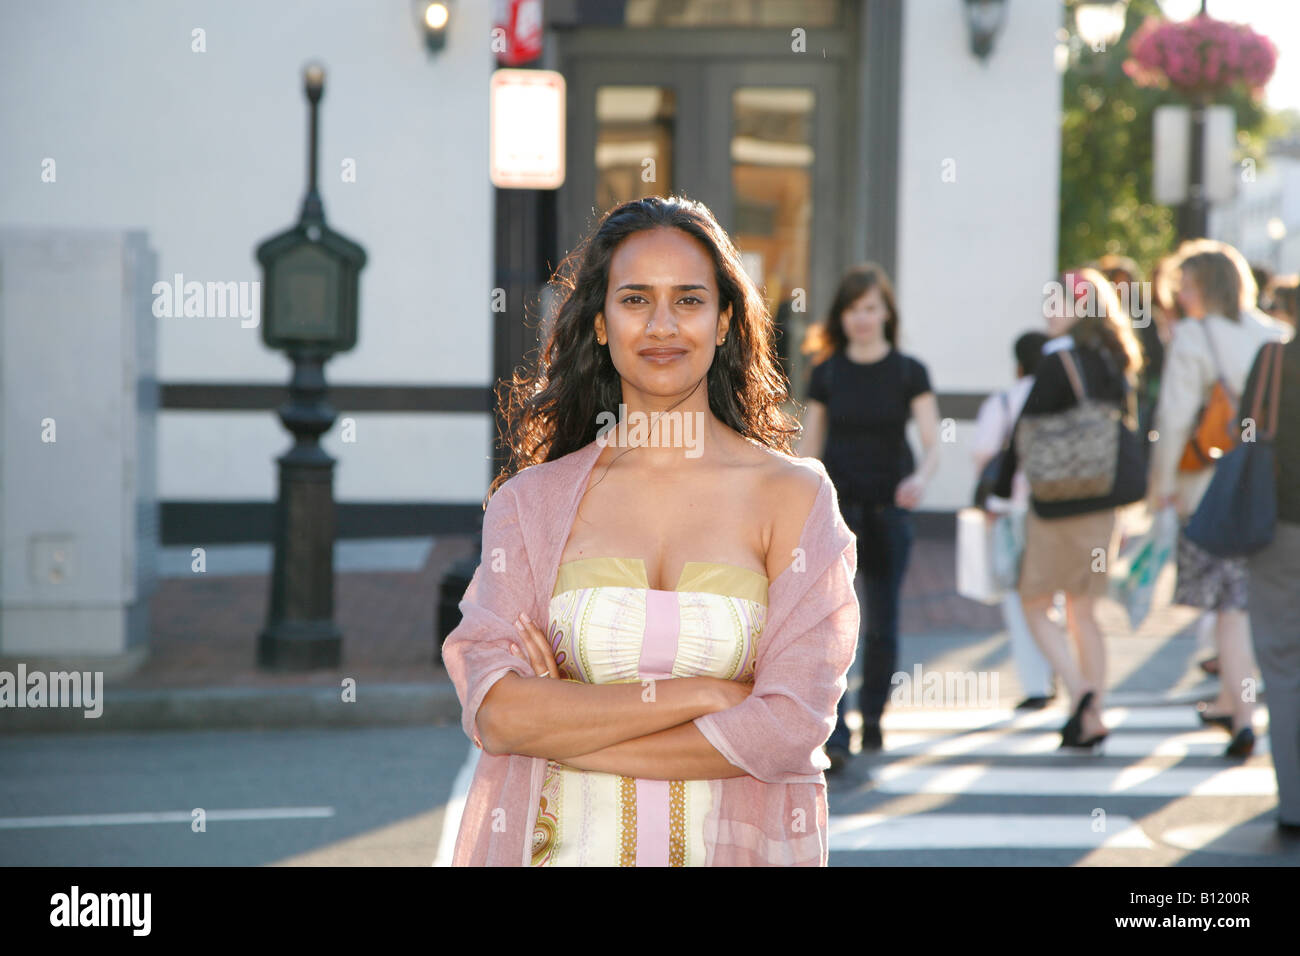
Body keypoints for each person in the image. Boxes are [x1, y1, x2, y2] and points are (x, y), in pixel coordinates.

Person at [441, 195, 860, 866]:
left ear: (725, 321)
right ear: (601, 324)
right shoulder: (529, 505)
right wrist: (707, 696)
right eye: (635, 299)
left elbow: (786, 728)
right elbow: (496, 713)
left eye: (689, 300)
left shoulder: (797, 500)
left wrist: (562, 722)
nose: (662, 325)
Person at [991, 268, 1145, 750]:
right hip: (1104, 505)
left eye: (1056, 303)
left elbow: (1024, 433)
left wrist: (996, 490)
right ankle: (1092, 715)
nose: (1048, 312)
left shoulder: (1058, 362)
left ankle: (1079, 694)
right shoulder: (1116, 361)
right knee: (1085, 611)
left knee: (1035, 601)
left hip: (1056, 505)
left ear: (1080, 308)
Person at [796, 264, 940, 763]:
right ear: (843, 315)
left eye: (872, 308)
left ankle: (874, 715)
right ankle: (837, 735)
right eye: (855, 309)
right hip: (838, 512)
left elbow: (931, 439)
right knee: (834, 623)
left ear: (886, 313)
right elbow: (809, 447)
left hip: (889, 511)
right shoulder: (827, 372)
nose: (863, 318)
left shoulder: (908, 371)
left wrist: (920, 479)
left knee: (882, 621)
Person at [1148, 246, 1285, 758]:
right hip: (1266, 487)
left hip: (1210, 487)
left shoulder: (1193, 335)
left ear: (1204, 287)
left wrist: (1162, 484)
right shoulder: (1273, 334)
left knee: (1230, 609)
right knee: (1247, 601)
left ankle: (1245, 717)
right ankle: (1232, 699)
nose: (1179, 295)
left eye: (1185, 286)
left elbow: (1176, 416)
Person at [1239, 336, 1300, 837]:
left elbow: (1244, 430)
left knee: (1281, 665)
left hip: (1279, 525)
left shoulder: (1275, 360)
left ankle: (1293, 801)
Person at [974, 330, 1054, 708]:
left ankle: (1036, 685)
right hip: (1053, 509)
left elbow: (983, 453)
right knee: (1052, 597)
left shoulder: (1005, 401)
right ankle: (1060, 670)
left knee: (1018, 597)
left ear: (1017, 362)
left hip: (1009, 512)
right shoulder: (1060, 397)